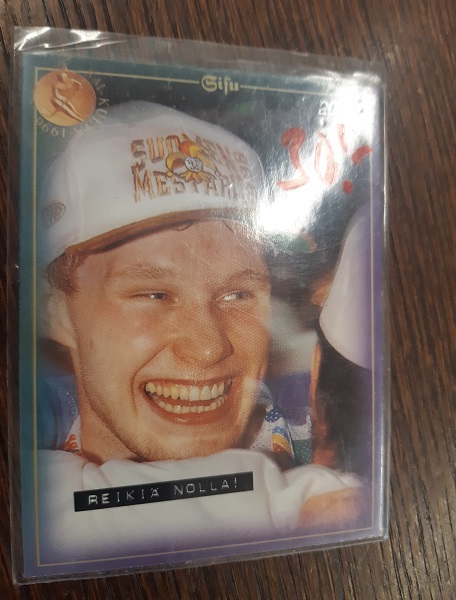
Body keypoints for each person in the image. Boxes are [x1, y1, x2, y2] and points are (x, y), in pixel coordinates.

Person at [36, 102, 364, 563]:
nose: (207, 348)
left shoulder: (320, 420)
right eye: (153, 295)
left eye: (238, 294)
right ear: (58, 313)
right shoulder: (25, 431)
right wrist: (288, 504)